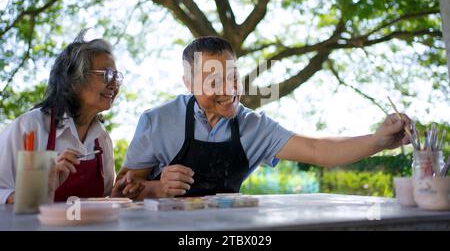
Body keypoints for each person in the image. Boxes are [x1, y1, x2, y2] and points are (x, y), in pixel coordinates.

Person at [115, 36, 411, 198]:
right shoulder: (157, 120)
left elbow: (319, 150)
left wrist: (378, 141)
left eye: (232, 76)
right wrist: (158, 187)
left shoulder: (254, 126)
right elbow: (120, 191)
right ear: (189, 84)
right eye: (213, 81)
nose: (229, 89)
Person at [0, 29, 141, 204]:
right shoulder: (29, 127)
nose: (114, 85)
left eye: (116, 76)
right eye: (106, 75)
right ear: (74, 80)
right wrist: (39, 192)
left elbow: (98, 201)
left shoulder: (102, 138)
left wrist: (117, 197)